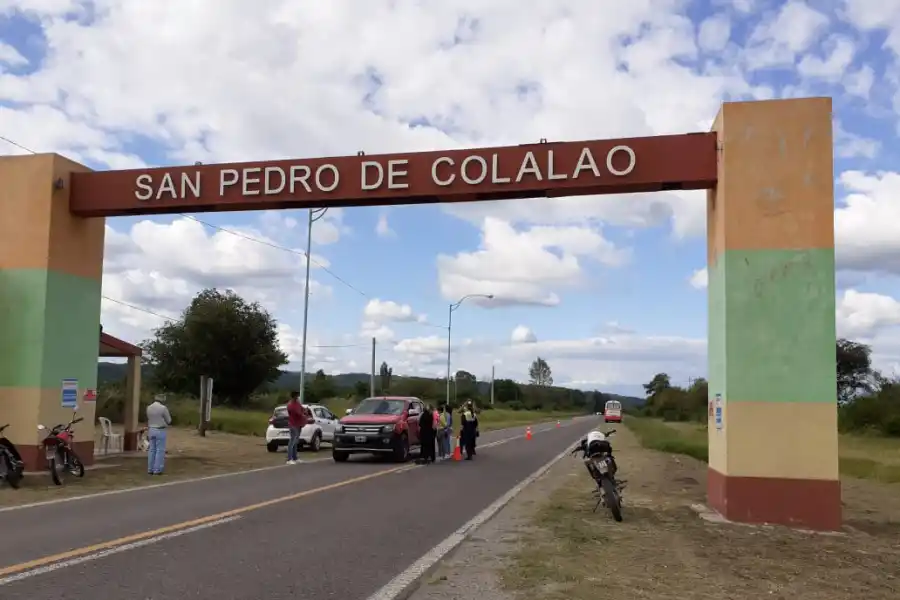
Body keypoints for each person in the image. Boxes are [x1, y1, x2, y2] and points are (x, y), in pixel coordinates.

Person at [146, 394, 172, 475]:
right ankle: (157, 469)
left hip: (151, 429)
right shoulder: (163, 408)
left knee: (151, 450)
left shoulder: (149, 407)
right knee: (160, 450)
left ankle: (150, 468)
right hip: (160, 429)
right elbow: (169, 420)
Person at [286, 391, 308, 465]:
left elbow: (302, 409)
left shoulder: (297, 403)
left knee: (296, 441)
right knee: (292, 441)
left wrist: (305, 410)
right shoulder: (290, 405)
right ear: (293, 396)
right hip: (293, 425)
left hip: (298, 424)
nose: (298, 397)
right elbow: (298, 413)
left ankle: (295, 458)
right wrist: (303, 415)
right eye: (297, 396)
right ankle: (289, 459)